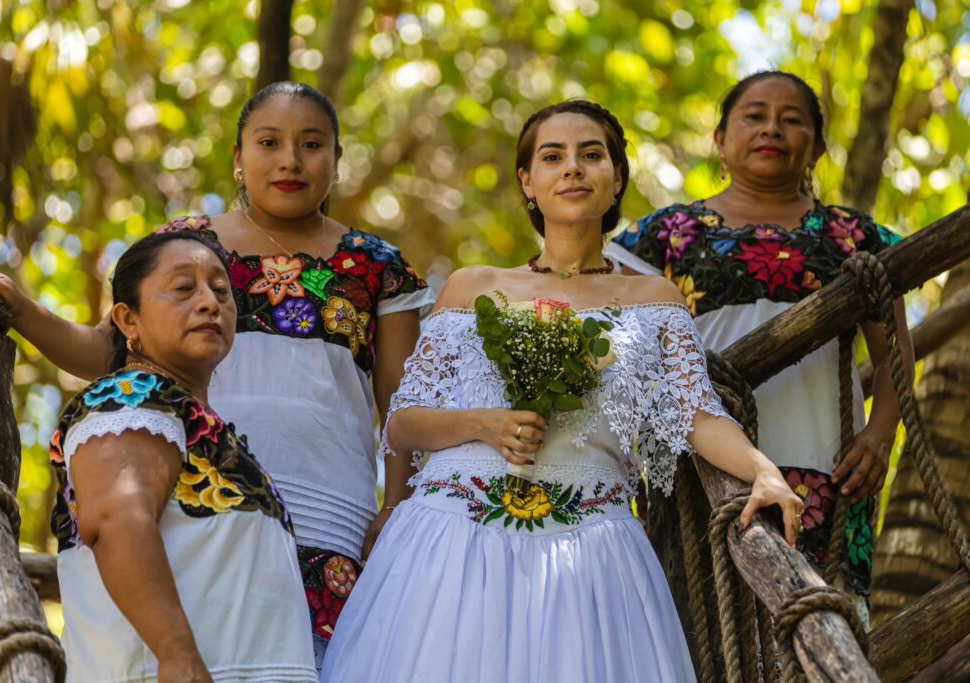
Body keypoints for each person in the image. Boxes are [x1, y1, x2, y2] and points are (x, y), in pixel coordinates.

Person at [0, 81, 433, 667]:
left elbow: (406, 408)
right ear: (237, 156)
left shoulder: (380, 266)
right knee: (190, 647)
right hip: (194, 490)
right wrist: (23, 310)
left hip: (334, 508)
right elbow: (109, 352)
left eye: (312, 144)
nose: (289, 160)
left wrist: (395, 512)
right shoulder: (189, 248)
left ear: (337, 159)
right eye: (268, 142)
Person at [321, 100, 803, 683]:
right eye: (553, 156)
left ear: (616, 177)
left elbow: (697, 414)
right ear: (528, 182)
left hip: (591, 553)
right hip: (451, 541)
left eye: (591, 154)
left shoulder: (654, 300)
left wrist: (763, 471)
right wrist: (484, 424)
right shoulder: (474, 287)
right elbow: (404, 423)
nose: (572, 168)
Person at [607, 71, 914, 619]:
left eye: (792, 119)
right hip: (699, 465)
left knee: (822, 620)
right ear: (721, 140)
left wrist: (881, 433)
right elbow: (621, 348)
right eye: (754, 115)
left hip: (828, 467)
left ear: (817, 147)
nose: (772, 127)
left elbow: (892, 348)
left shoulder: (853, 236)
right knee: (700, 623)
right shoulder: (664, 235)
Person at [49, 230, 316, 682]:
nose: (210, 303)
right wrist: (177, 656)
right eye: (183, 288)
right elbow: (117, 519)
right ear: (127, 320)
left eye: (220, 290)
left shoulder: (196, 424)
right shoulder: (129, 398)